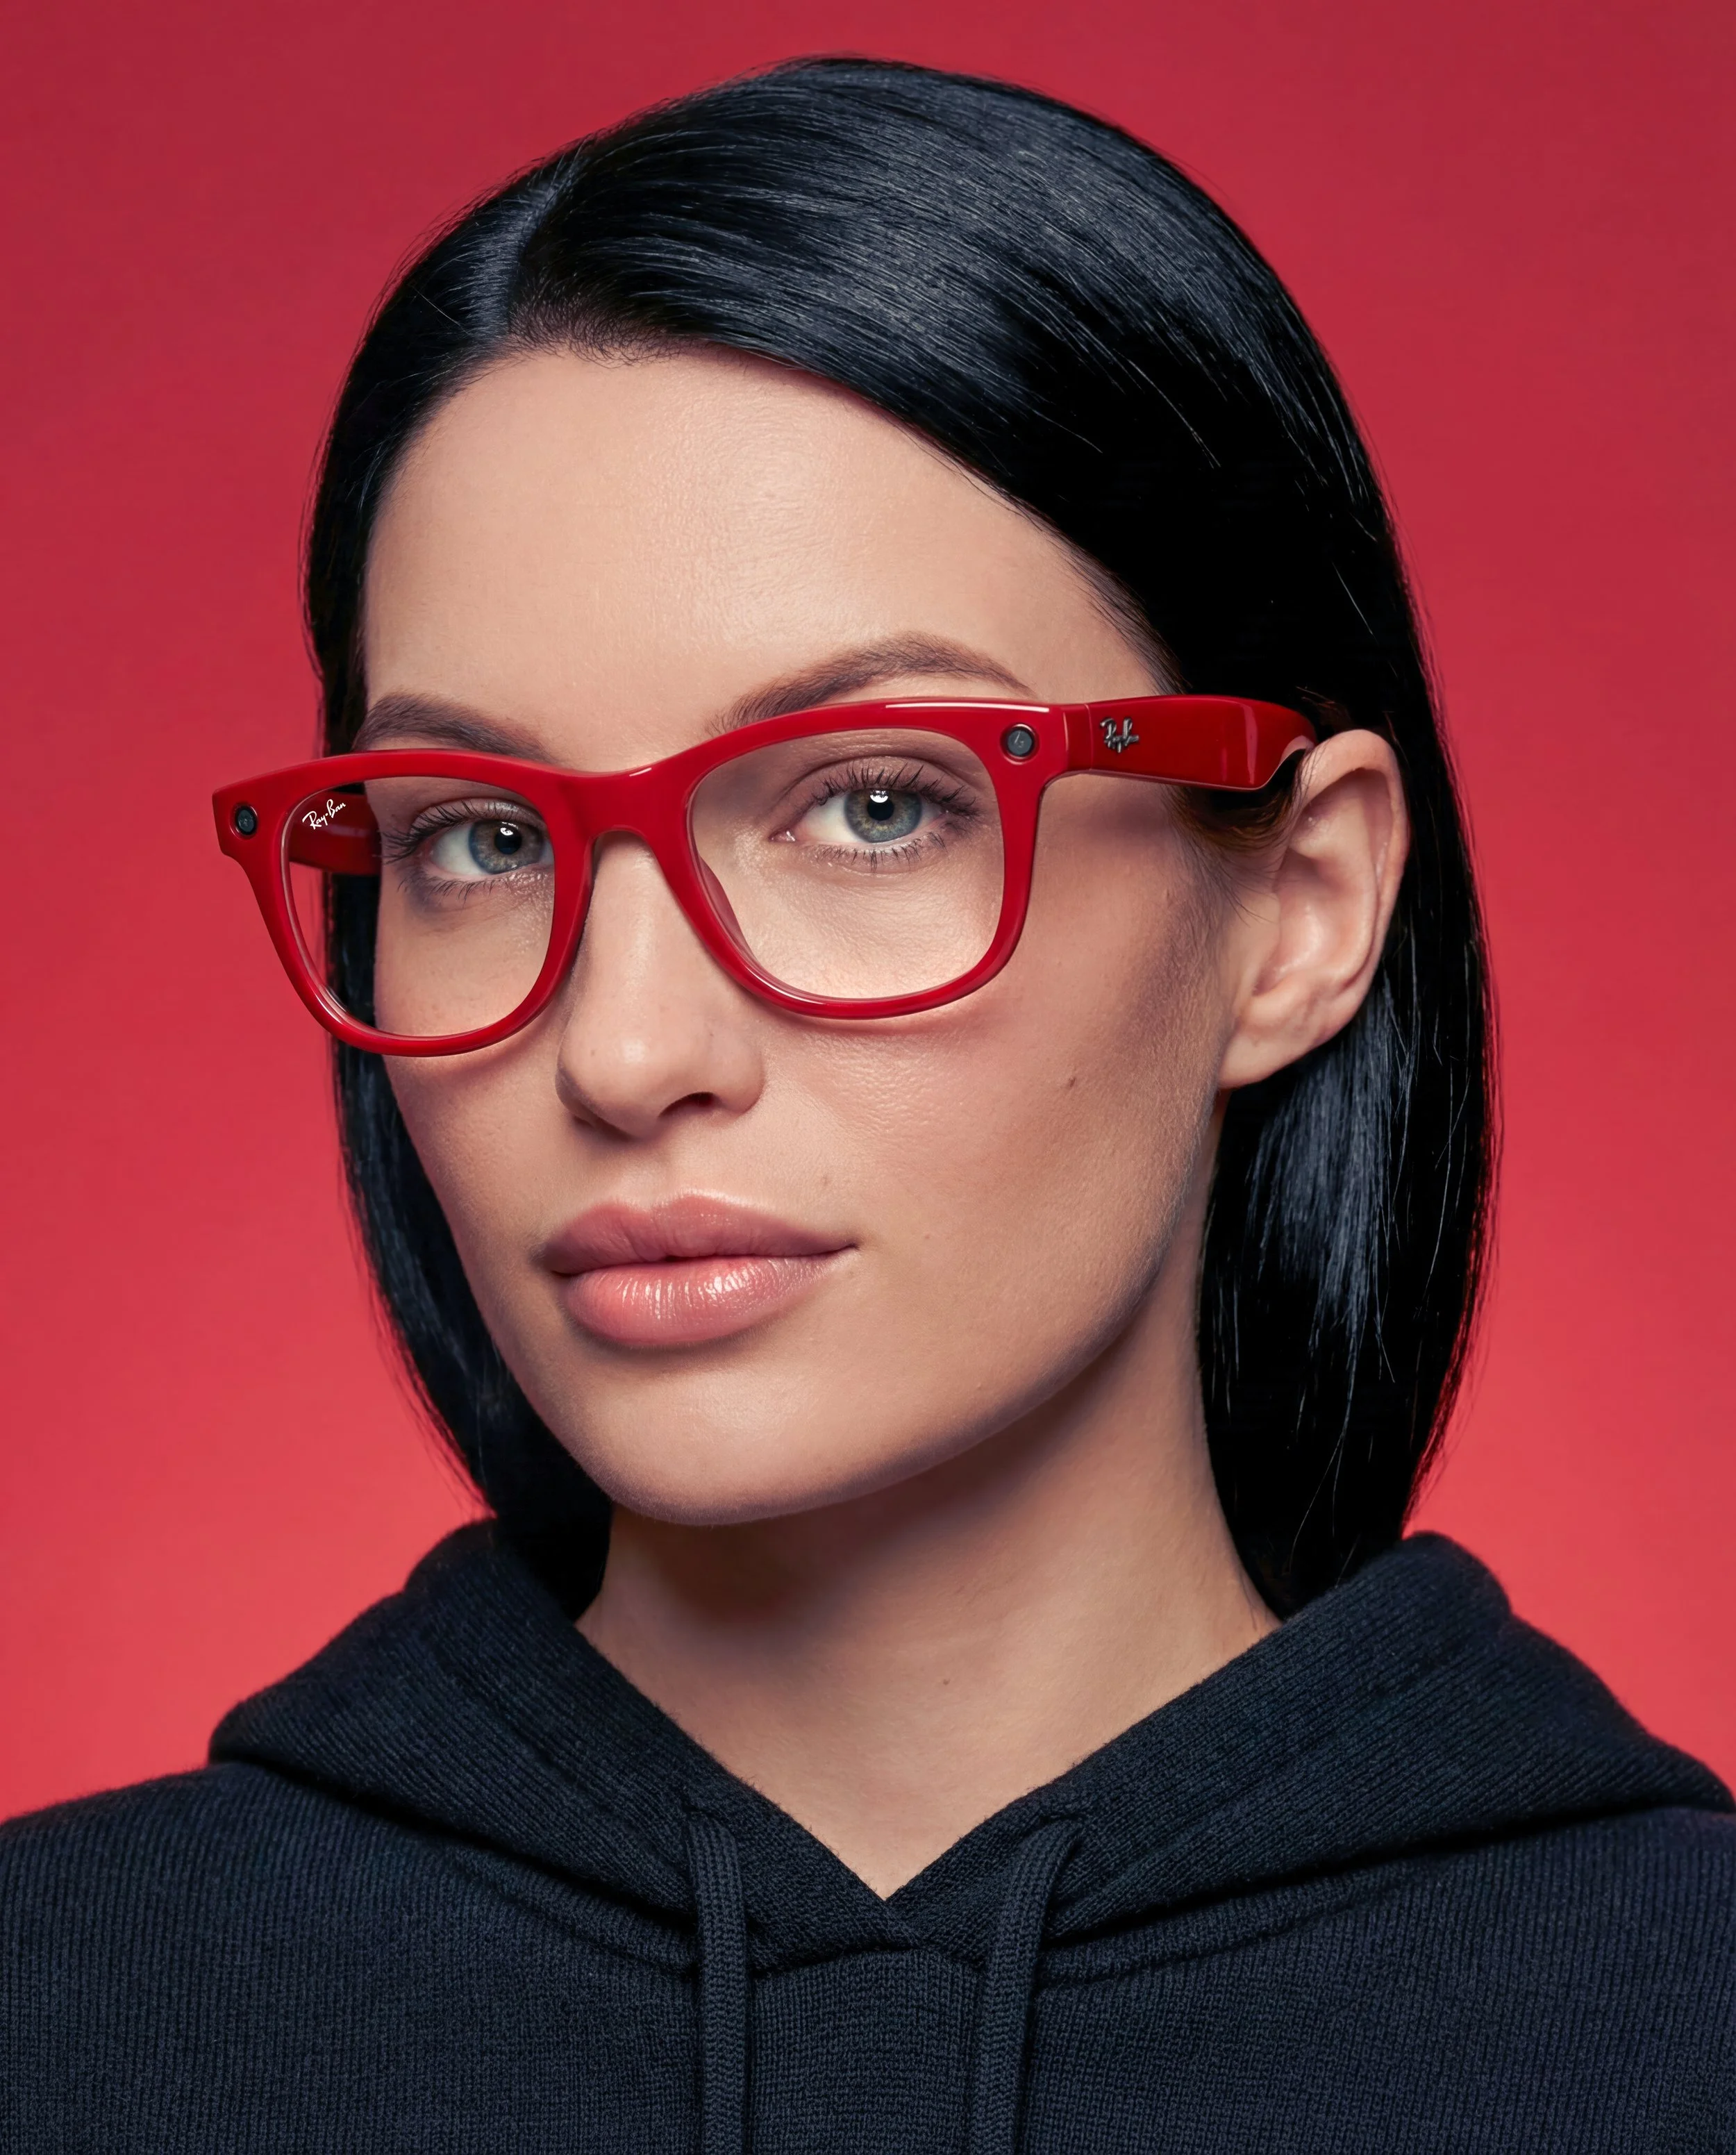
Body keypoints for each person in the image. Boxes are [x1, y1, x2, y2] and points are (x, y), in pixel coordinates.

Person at [2, 57, 1730, 2154]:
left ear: (1295, 905)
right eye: (473, 836)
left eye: (876, 802)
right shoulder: (64, 2010)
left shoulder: (1673, 2020)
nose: (628, 1052)